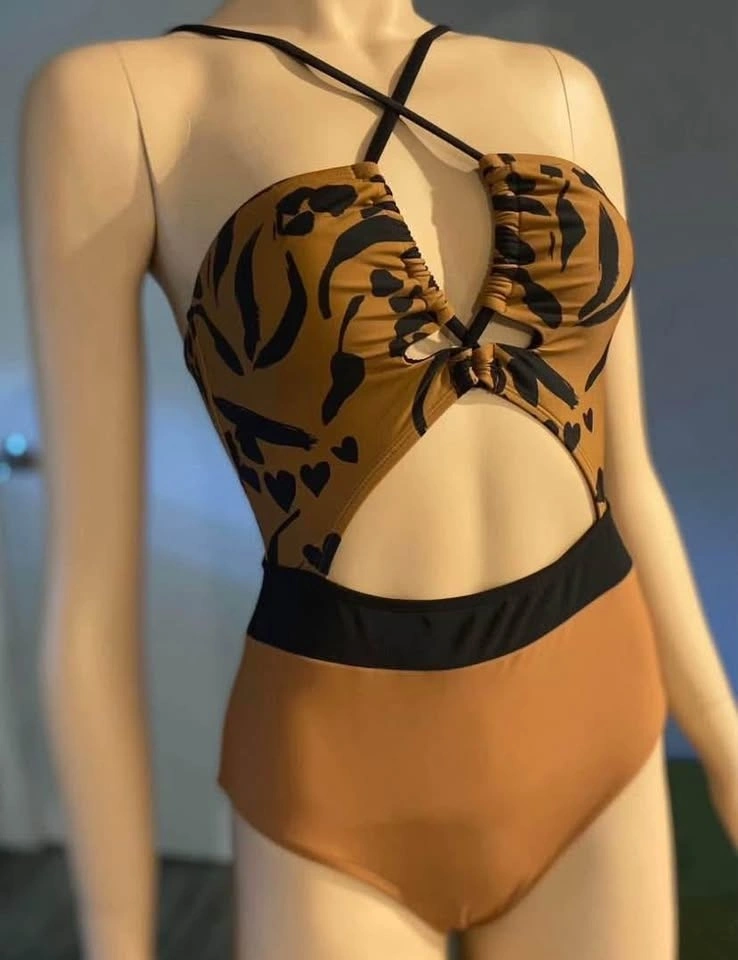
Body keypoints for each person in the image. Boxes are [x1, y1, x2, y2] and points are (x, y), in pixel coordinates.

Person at [19, 1, 738, 958]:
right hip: (338, 772)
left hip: (599, 718)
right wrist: (119, 939)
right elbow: (90, 605)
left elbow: (628, 474)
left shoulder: (560, 87)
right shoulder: (117, 102)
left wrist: (724, 741)